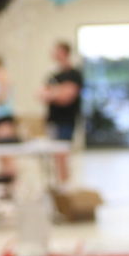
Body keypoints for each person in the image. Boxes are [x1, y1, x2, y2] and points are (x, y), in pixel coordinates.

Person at [39, 40, 84, 186]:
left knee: (62, 154)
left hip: (66, 120)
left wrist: (54, 93)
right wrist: (58, 92)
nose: (53, 54)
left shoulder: (74, 74)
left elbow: (67, 98)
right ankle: (59, 185)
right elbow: (41, 95)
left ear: (64, 52)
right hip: (53, 120)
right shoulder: (53, 75)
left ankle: (65, 186)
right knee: (55, 156)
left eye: (56, 50)